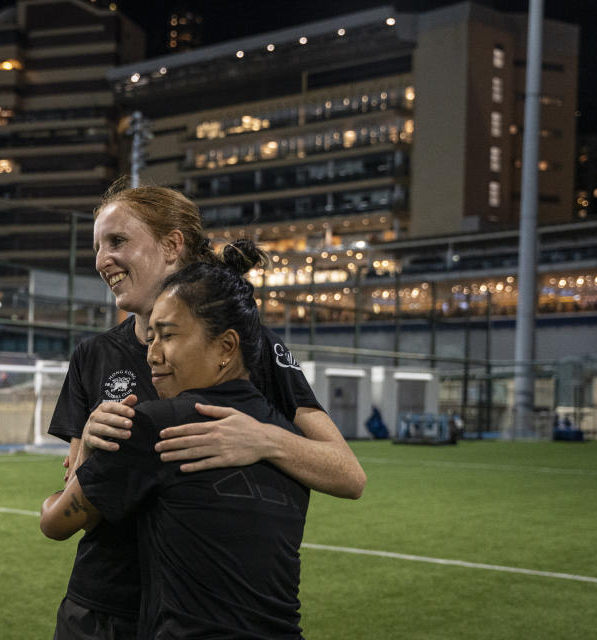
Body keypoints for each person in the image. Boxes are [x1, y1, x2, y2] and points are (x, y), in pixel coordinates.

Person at [46, 182, 366, 638]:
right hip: (102, 608)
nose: (102, 260)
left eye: (117, 242)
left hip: (199, 614)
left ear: (172, 244)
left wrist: (264, 438)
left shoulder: (247, 348)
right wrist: (92, 450)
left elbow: (348, 475)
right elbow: (78, 491)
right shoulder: (93, 355)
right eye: (97, 247)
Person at [42, 255, 311, 638]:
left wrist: (86, 446)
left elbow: (54, 523)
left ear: (226, 347)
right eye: (151, 338)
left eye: (167, 336)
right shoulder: (287, 440)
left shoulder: (152, 425)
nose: (152, 355)